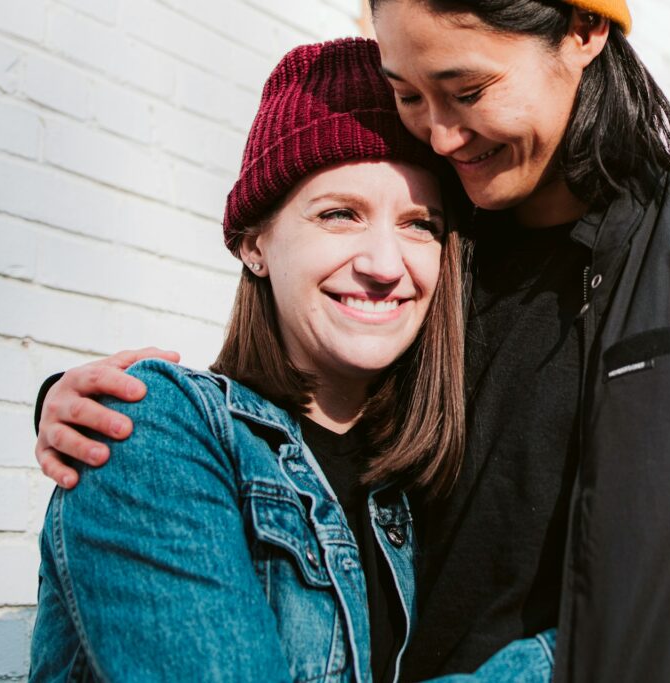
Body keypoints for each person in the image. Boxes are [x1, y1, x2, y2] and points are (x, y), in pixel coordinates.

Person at [34, 1, 670, 681]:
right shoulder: (432, 259)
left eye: (467, 90)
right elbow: (292, 442)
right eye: (408, 94)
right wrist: (100, 413)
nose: (440, 134)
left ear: (584, 31)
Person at [30, 38, 559, 682]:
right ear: (255, 244)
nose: (384, 265)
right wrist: (577, 655)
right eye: (340, 214)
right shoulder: (156, 427)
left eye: (420, 224)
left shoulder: (430, 481)